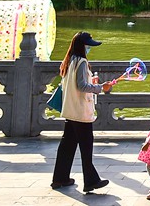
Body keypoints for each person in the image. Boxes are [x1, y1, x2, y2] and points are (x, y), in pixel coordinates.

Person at [51, 32, 115, 193]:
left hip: (70, 110)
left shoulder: (69, 61)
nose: (89, 48)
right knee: (86, 147)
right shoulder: (81, 62)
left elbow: (75, 84)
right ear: (82, 46)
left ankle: (60, 178)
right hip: (80, 112)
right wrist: (100, 87)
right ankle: (91, 181)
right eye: (88, 46)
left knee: (67, 145)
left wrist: (91, 83)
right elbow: (81, 86)